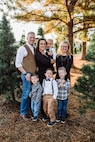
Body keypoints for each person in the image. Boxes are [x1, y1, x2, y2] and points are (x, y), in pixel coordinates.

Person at [15, 31, 37, 120]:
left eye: (33, 37)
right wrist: (25, 73)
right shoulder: (22, 48)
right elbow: (18, 64)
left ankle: (28, 109)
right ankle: (23, 112)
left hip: (34, 75)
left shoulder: (34, 48)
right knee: (26, 93)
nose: (32, 39)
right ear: (27, 38)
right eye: (30, 37)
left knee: (31, 94)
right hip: (26, 74)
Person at [35, 38, 55, 118]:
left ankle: (47, 110)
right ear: (38, 45)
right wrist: (50, 57)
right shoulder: (38, 55)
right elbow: (48, 62)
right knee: (43, 94)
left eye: (44, 44)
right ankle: (44, 113)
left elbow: (52, 63)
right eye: (41, 44)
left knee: (48, 93)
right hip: (42, 76)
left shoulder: (46, 53)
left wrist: (50, 58)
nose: (43, 45)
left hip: (48, 75)